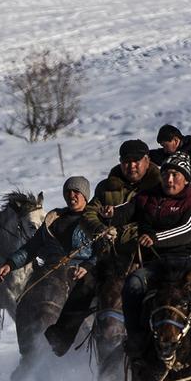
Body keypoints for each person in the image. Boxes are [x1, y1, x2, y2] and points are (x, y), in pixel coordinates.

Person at [45, 139, 162, 355]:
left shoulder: (160, 185)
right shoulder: (108, 186)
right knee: (86, 284)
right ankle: (61, 336)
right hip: (112, 256)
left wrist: (129, 232)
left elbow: (159, 219)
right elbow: (89, 213)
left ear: (147, 160)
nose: (131, 166)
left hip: (148, 254)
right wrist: (100, 229)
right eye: (126, 161)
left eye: (136, 161)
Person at [99, 152, 191, 381]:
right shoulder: (148, 197)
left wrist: (156, 238)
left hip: (189, 263)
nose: (169, 179)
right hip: (158, 266)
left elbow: (188, 231)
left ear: (185, 179)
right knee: (133, 283)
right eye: (166, 174)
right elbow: (128, 210)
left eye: (175, 174)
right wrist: (112, 215)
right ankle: (136, 338)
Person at [0, 177, 95, 381]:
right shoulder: (53, 220)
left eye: (77, 192)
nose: (72, 195)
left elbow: (102, 250)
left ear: (85, 195)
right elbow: (32, 248)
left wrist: (87, 267)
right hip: (51, 272)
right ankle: (27, 356)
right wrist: (11, 263)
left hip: (82, 272)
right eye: (68, 192)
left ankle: (96, 352)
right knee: (25, 300)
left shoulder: (94, 220)